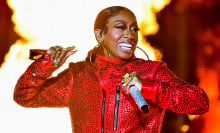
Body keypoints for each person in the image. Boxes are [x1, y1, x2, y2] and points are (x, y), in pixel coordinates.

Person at [14, 6, 209, 133]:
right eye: (120, 27)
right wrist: (45, 64)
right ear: (100, 35)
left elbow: (199, 103)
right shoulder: (78, 76)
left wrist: (149, 88)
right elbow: (24, 96)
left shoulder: (151, 71)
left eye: (134, 29)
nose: (130, 35)